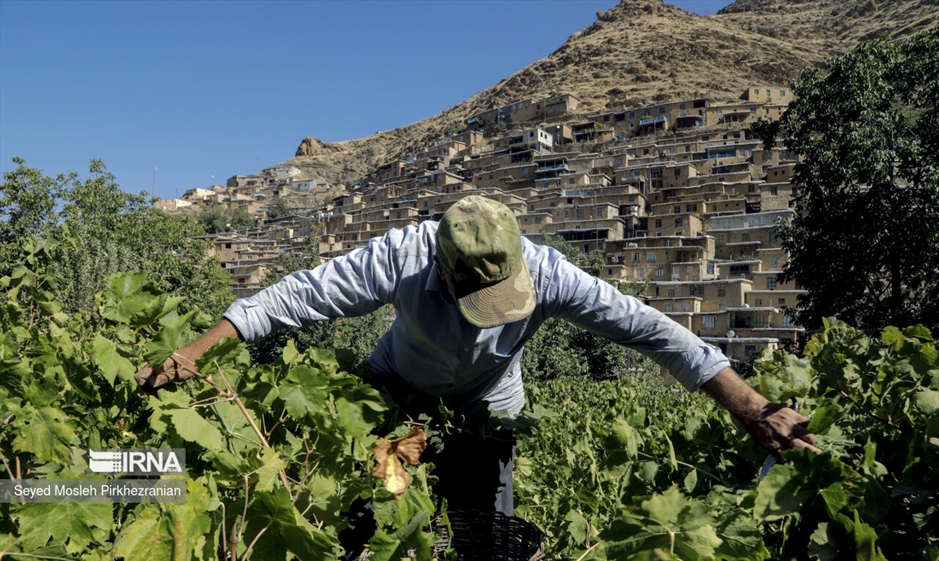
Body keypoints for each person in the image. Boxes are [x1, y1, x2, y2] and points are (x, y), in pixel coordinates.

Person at [136, 195, 818, 516]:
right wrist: (194, 352)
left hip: (490, 403)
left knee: (483, 523)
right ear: (442, 266)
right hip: (396, 390)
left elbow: (654, 332)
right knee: (367, 512)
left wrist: (752, 408)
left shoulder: (550, 274)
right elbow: (295, 298)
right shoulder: (403, 257)